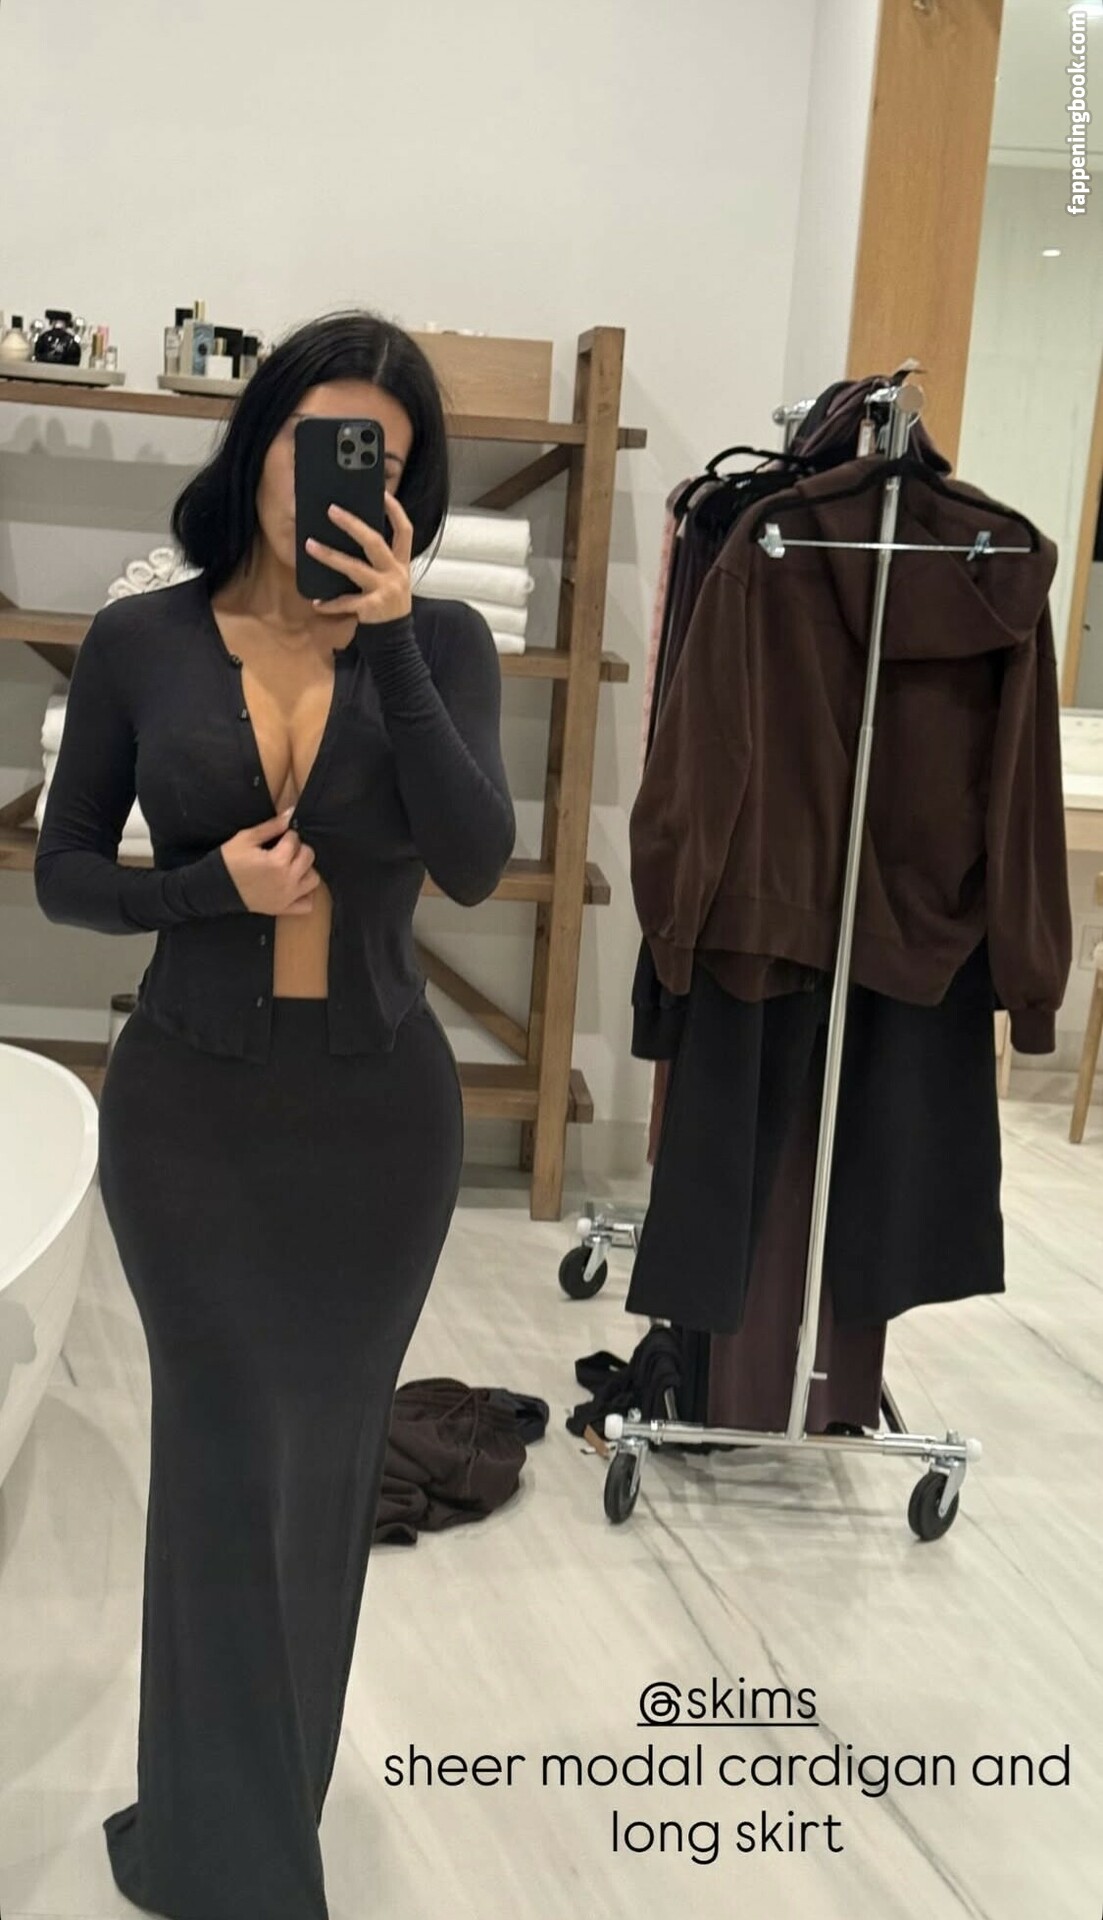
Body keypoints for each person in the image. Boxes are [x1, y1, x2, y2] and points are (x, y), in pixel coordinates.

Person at [33, 308, 516, 1918]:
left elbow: (472, 859)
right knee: (223, 1464)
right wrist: (202, 890)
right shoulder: (141, 643)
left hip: (379, 1131)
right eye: (318, 442)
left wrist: (392, 638)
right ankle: (238, 1865)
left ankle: (234, 1830)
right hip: (190, 1122)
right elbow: (64, 875)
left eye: (378, 455)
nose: (339, 477)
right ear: (259, 452)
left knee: (321, 1482)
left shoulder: (440, 644)